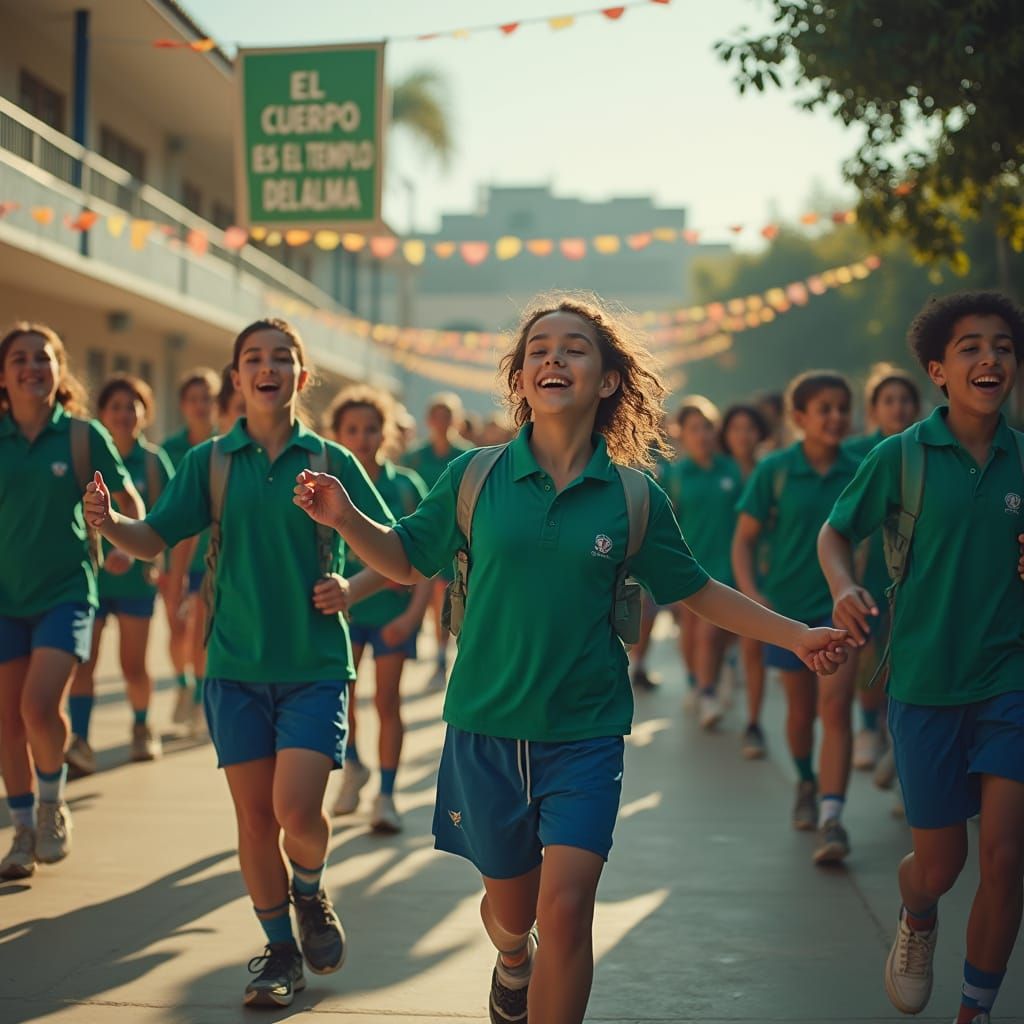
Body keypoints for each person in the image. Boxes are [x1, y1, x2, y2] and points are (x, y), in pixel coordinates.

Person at [293, 293, 851, 1024]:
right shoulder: (474, 477)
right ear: (522, 379)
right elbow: (402, 560)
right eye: (539, 349)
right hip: (486, 729)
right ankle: (512, 959)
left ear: (609, 380)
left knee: (567, 910)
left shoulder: (633, 497)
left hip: (586, 733)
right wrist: (346, 518)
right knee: (512, 913)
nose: (553, 357)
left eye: (574, 347)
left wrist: (796, 635)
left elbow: (698, 591)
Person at [82, 319, 394, 1008]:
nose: (267, 367)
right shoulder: (211, 462)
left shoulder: (330, 459)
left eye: (282, 358)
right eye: (254, 358)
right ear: (237, 377)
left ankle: (309, 891)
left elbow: (396, 550)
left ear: (301, 377)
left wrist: (350, 587)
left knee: (298, 814)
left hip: (315, 665)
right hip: (232, 667)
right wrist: (107, 524)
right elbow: (153, 537)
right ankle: (279, 952)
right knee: (255, 821)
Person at [821, 292, 1024, 1024]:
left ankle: (975, 1009)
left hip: (1011, 679)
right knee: (940, 866)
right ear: (937, 370)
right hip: (924, 683)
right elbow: (835, 533)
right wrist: (844, 587)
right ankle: (917, 917)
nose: (990, 359)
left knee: (1005, 856)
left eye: (1003, 346)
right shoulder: (900, 457)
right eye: (970, 348)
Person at [0, 323, 141, 880]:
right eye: (19, 358)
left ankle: (51, 804)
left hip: (66, 593)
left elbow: (130, 500)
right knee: (7, 722)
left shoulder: (83, 436)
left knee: (38, 707)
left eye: (43, 357)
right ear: (3, 374)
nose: (32, 367)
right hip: (5, 599)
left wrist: (123, 540)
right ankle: (21, 832)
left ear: (59, 369)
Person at [732, 371, 861, 864]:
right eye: (824, 409)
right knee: (801, 713)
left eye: (842, 407)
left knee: (837, 708)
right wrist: (753, 597)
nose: (835, 417)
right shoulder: (775, 470)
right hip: (788, 615)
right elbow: (743, 541)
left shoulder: (862, 470)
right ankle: (806, 781)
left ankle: (832, 816)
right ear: (799, 417)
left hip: (843, 610)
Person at [326, 386, 432, 832]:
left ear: (385, 433)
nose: (362, 438)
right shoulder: (325, 486)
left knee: (388, 701)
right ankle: (353, 766)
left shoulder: (405, 486)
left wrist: (411, 618)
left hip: (390, 616)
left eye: (371, 429)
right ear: (336, 434)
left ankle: (386, 796)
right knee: (339, 699)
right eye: (351, 429)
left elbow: (427, 562)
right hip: (342, 616)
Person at [66, 375, 173, 774]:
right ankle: (80, 741)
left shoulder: (153, 463)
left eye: (132, 407)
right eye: (115, 407)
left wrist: (156, 565)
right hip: (90, 580)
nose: (124, 414)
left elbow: (169, 518)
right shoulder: (86, 454)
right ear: (101, 413)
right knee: (84, 663)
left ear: (145, 413)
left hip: (135, 583)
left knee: (133, 664)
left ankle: (142, 727)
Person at [843, 364, 921, 787]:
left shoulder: (926, 451)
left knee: (905, 657)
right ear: (874, 409)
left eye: (905, 400)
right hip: (868, 571)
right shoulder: (857, 453)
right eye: (889, 400)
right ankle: (868, 726)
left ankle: (898, 742)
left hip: (916, 573)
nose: (898, 408)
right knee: (870, 653)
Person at [661, 397, 743, 730]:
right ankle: (697, 682)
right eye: (694, 429)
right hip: (689, 564)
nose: (702, 435)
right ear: (682, 434)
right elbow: (665, 523)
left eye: (707, 427)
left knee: (712, 632)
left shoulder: (731, 469)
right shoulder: (676, 475)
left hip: (727, 565)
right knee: (692, 630)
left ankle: (708, 688)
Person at [400, 392, 474, 690]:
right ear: (429, 419)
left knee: (445, 596)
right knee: (426, 592)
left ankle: (442, 654)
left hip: (455, 538)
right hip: (424, 536)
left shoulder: (469, 455)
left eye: (448, 416)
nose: (442, 422)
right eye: (437, 415)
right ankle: (424, 643)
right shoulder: (415, 456)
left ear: (456, 420)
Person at [160, 368, 219, 733]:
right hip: (174, 556)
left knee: (199, 629)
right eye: (193, 399)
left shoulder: (223, 447)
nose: (200, 406)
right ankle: (182, 683)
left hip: (211, 557)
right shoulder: (170, 450)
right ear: (183, 405)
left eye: (207, 399)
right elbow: (161, 507)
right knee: (177, 629)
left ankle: (198, 697)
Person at [720, 402, 771, 758]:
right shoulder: (715, 469)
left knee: (754, 645)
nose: (743, 435)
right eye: (736, 428)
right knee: (721, 636)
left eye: (750, 428)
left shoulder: (770, 470)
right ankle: (721, 672)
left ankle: (753, 722)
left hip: (760, 571)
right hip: (718, 568)